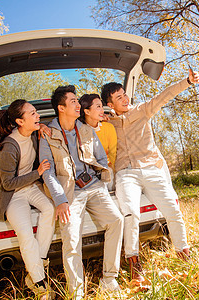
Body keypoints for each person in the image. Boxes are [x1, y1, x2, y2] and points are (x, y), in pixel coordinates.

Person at [101, 69, 199, 283]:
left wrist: (187, 82)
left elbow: (164, 95)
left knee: (173, 211)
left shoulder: (142, 110)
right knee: (130, 213)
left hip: (150, 169)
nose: (125, 99)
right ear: (111, 105)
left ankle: (184, 255)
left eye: (125, 94)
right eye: (119, 97)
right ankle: (134, 263)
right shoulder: (107, 123)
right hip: (126, 174)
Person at [39, 85, 124, 299]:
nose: (78, 105)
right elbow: (47, 173)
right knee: (71, 240)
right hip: (69, 193)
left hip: (94, 186)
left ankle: (109, 278)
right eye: (73, 101)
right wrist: (60, 200)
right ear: (61, 107)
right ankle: (76, 293)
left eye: (78, 101)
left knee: (116, 221)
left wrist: (101, 178)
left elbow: (101, 158)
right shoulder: (47, 134)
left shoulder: (86, 129)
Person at [0, 99, 56, 299]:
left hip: (31, 187)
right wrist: (38, 172)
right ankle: (39, 283)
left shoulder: (34, 134)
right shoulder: (8, 147)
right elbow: (8, 184)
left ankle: (40, 259)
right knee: (26, 235)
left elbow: (42, 130)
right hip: (13, 195)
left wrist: (42, 126)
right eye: (33, 114)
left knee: (50, 210)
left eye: (36, 113)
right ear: (20, 121)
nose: (38, 116)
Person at [78, 93, 117, 190]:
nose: (102, 110)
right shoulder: (78, 131)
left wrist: (117, 173)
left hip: (106, 171)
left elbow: (113, 154)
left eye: (102, 106)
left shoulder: (108, 127)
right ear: (87, 111)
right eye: (98, 107)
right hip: (86, 175)